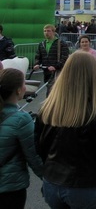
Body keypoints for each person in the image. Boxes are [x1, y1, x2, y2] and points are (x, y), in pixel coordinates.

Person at [34, 52, 96, 209]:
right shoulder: (95, 111)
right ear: (94, 76)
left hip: (52, 183)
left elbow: (40, 147)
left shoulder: (48, 106)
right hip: (84, 187)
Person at [0, 68, 43, 209]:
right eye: (24, 83)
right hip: (10, 190)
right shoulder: (21, 119)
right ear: (19, 90)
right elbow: (34, 157)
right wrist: (50, 181)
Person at [32, 24, 70, 97]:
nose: (46, 33)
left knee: (52, 90)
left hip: (57, 71)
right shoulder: (42, 44)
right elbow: (38, 56)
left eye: (48, 31)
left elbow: (64, 57)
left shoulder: (61, 43)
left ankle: (50, 105)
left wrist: (56, 66)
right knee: (49, 88)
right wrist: (37, 64)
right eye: (44, 31)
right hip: (46, 71)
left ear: (53, 32)